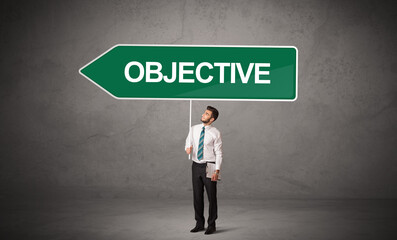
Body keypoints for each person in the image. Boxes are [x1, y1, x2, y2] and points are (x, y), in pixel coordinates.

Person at [185, 106, 223, 235]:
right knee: (197, 196)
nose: (203, 114)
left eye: (206, 114)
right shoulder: (194, 129)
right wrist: (187, 148)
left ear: (212, 119)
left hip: (210, 165)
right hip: (196, 165)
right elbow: (188, 142)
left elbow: (219, 153)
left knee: (212, 196)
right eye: (204, 112)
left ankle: (211, 225)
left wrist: (217, 170)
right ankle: (199, 223)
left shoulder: (215, 133)